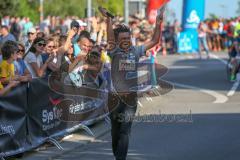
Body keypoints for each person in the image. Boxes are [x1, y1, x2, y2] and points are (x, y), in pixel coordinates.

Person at [100, 7, 164, 160]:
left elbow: (155, 41)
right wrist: (108, 19)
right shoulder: (114, 51)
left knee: (125, 131)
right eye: (122, 39)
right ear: (116, 41)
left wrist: (158, 23)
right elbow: (109, 37)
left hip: (130, 100)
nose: (126, 41)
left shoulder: (135, 51)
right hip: (114, 99)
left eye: (127, 38)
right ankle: (118, 155)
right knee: (115, 132)